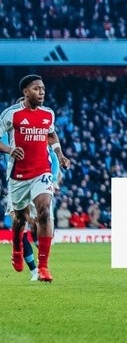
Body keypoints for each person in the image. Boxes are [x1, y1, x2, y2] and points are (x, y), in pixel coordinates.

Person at [0, 74, 71, 283]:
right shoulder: (11, 114)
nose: (41, 93)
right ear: (25, 92)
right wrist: (10, 150)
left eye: (43, 89)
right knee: (20, 219)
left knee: (44, 211)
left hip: (42, 171)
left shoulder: (48, 114)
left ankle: (43, 267)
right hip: (18, 175)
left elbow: (51, 134)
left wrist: (60, 154)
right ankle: (16, 248)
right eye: (37, 89)